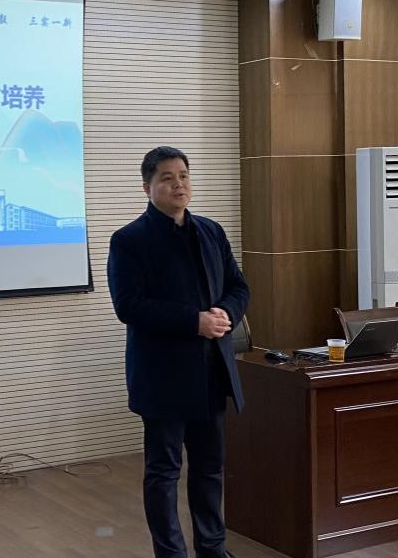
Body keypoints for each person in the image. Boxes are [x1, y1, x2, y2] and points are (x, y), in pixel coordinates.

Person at [107, 146, 249, 558]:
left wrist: (225, 312)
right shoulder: (129, 240)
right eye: (167, 178)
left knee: (210, 468)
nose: (178, 185)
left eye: (183, 176)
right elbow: (128, 305)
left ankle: (213, 548)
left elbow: (238, 286)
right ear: (147, 187)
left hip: (211, 370)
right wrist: (194, 321)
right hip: (163, 375)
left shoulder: (211, 231)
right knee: (164, 472)